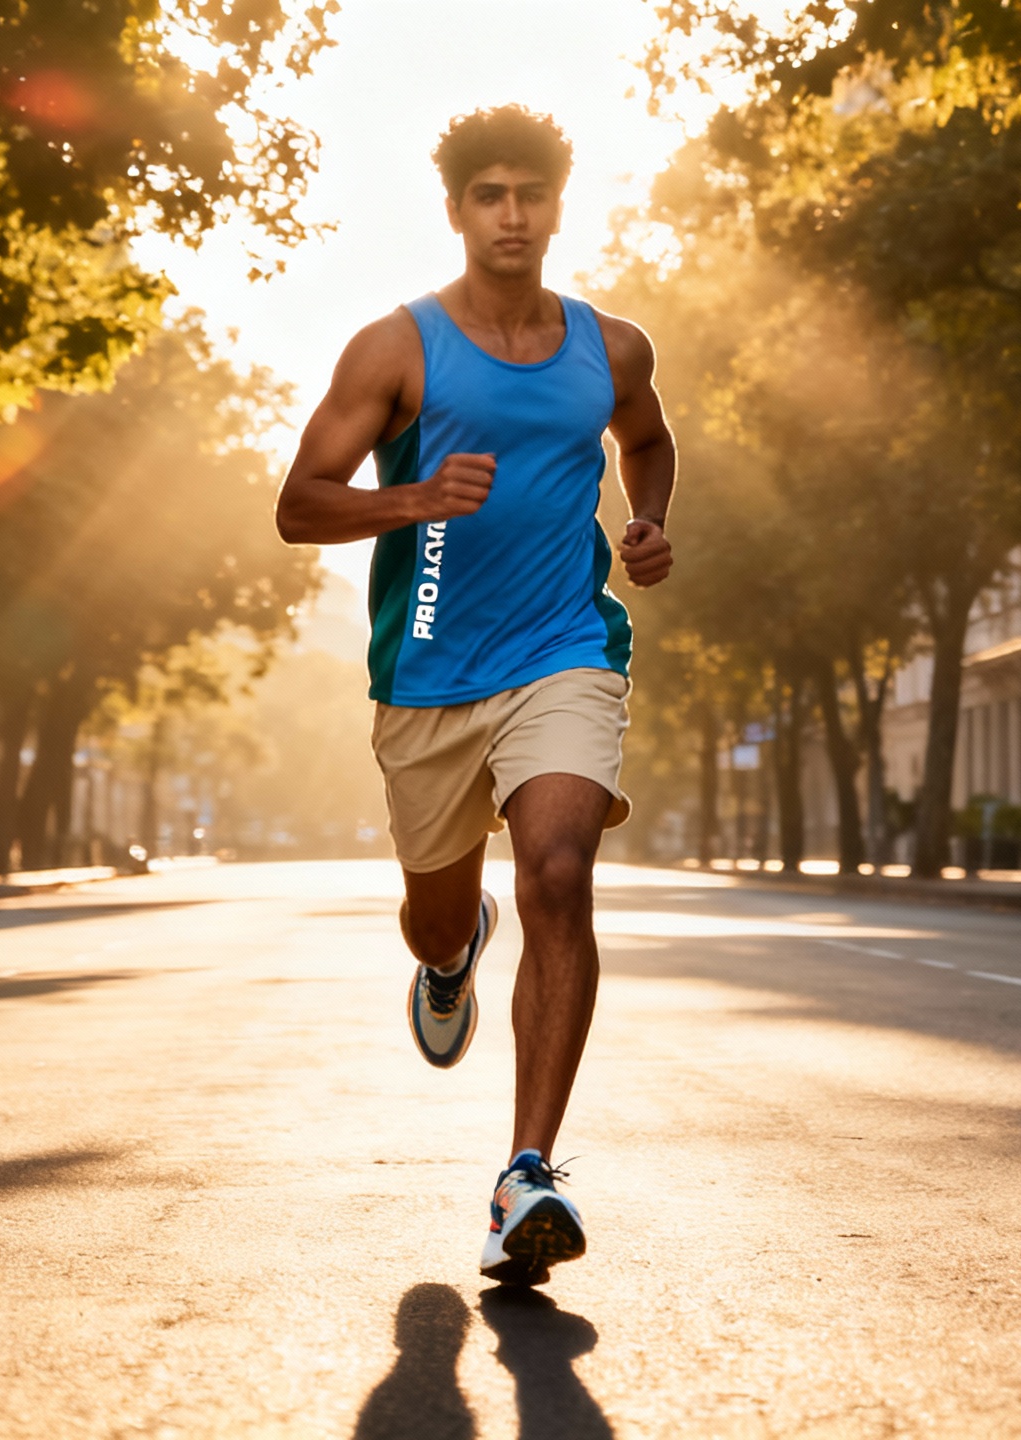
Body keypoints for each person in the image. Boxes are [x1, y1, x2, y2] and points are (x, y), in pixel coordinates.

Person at [274, 106, 676, 1286]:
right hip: (429, 669)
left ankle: (527, 1173)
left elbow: (645, 440)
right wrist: (412, 502)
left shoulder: (613, 348)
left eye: (531, 195)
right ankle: (451, 958)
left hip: (567, 651)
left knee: (557, 870)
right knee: (438, 912)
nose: (512, 214)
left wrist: (651, 521)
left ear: (558, 206)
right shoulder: (394, 348)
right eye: (489, 195)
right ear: (456, 210)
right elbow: (300, 504)